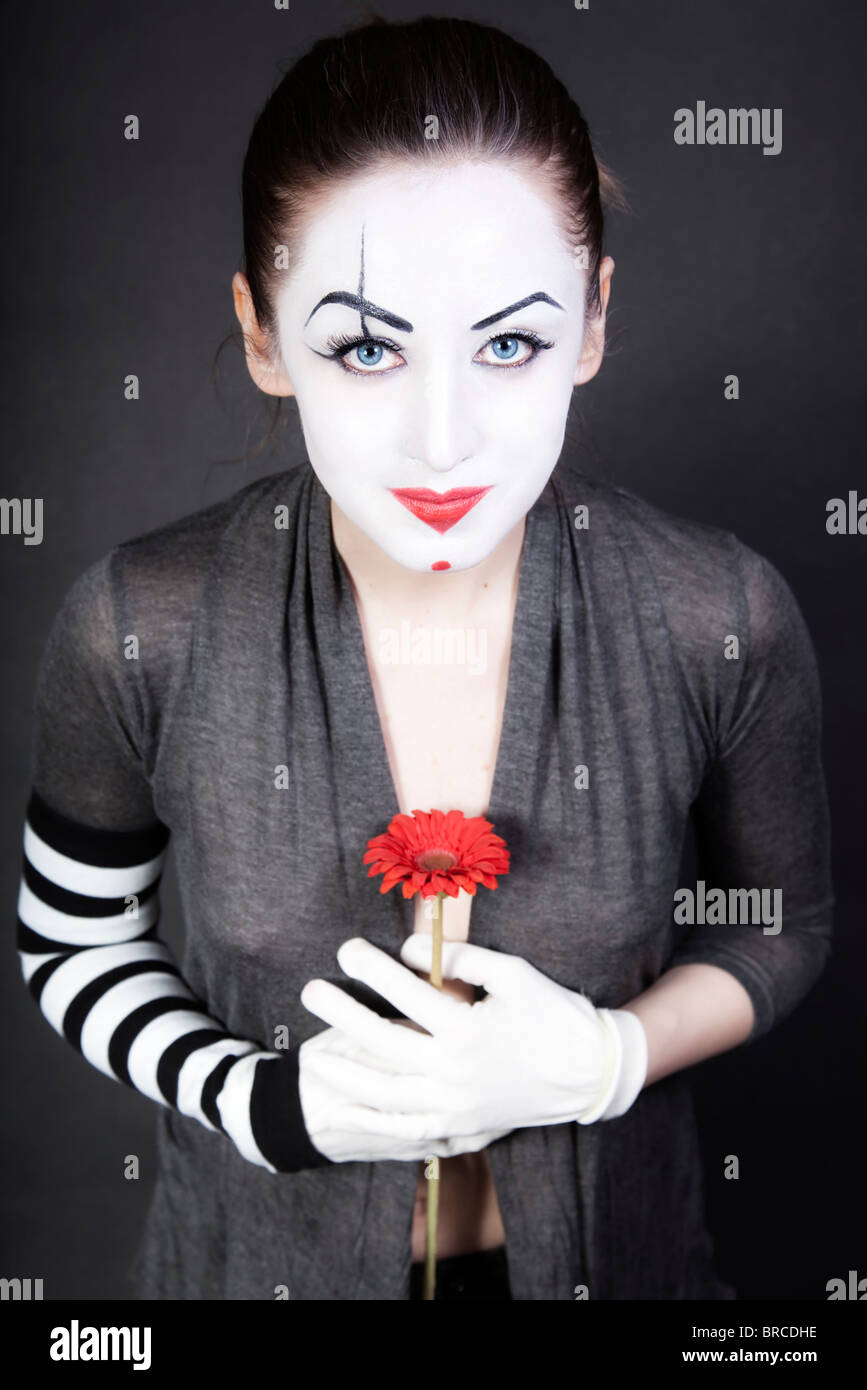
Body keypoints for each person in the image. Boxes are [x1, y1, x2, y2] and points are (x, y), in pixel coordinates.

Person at [16, 16, 833, 1302]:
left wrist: (613, 1056)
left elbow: (785, 922)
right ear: (262, 338)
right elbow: (72, 944)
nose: (444, 440)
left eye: (509, 342)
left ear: (593, 323)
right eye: (366, 346)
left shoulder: (715, 611)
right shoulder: (138, 623)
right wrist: (263, 1102)